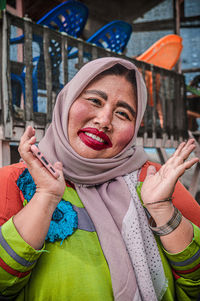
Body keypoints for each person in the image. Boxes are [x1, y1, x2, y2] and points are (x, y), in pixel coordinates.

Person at [0, 57, 200, 301]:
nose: (104, 121)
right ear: (66, 102)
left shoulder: (157, 182)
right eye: (95, 100)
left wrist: (162, 209)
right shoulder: (12, 183)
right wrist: (45, 197)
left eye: (123, 114)